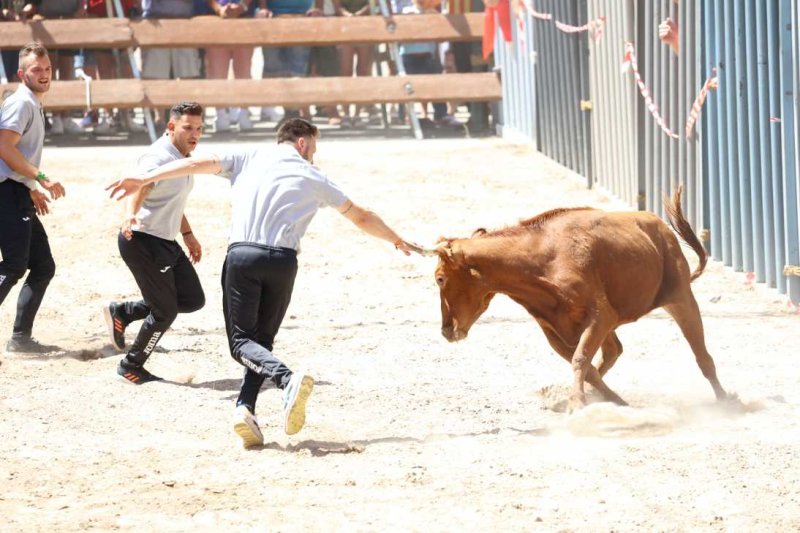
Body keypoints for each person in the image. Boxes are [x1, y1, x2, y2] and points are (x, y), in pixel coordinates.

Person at [106, 118, 419, 446]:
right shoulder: (313, 175)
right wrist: (395, 239)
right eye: (314, 146)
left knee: (241, 343)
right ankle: (245, 408)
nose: (313, 153)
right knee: (261, 343)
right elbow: (361, 216)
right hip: (284, 263)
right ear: (302, 143)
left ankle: (286, 380)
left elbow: (196, 163)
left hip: (244, 258)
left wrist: (145, 176)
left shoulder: (248, 156)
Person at [104, 101, 206, 384]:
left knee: (192, 299)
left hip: (165, 240)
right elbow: (142, 185)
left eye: (199, 128)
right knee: (165, 312)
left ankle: (124, 311)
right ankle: (131, 366)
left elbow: (172, 199)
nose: (194, 133)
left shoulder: (183, 156)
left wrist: (187, 234)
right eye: (188, 128)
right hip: (141, 240)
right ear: (171, 126)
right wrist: (129, 216)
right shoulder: (158, 157)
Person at [0, 42, 67, 353]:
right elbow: (3, 147)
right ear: (21, 74)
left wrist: (30, 187)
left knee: (42, 265)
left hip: (16, 190)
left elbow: (14, 155)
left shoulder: (32, 102)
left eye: (47, 69)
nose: (43, 74)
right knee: (14, 265)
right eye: (36, 70)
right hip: (5, 191)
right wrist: (40, 177)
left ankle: (20, 339)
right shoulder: (22, 103)